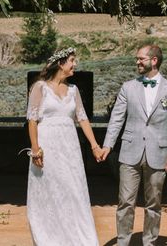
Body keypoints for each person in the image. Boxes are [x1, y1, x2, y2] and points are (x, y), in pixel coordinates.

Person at [97, 44, 167, 246]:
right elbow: (116, 119)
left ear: (154, 60)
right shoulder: (128, 87)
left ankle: (149, 242)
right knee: (125, 202)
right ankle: (123, 242)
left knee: (154, 203)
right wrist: (107, 146)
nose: (137, 62)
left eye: (141, 58)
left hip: (160, 153)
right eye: (137, 58)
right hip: (130, 152)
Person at [26, 47, 102, 246]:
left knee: (73, 191)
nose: (75, 64)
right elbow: (32, 120)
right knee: (50, 192)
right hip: (47, 147)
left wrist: (94, 145)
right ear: (61, 64)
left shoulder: (74, 90)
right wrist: (35, 149)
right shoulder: (40, 87)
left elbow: (83, 119)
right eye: (72, 60)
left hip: (69, 148)